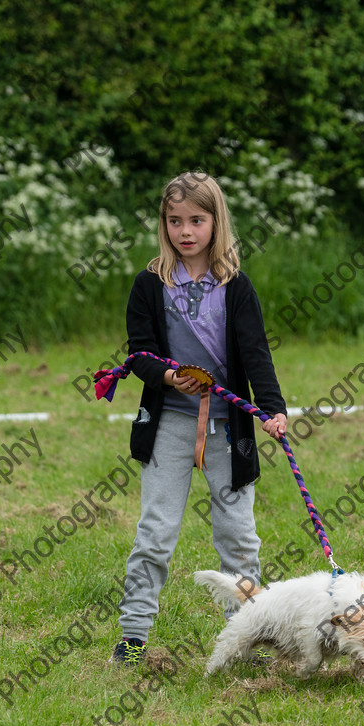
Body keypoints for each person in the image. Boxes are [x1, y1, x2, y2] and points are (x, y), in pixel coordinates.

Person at [110, 171, 287, 666]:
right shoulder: (149, 284)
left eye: (196, 220)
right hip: (168, 421)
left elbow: (255, 354)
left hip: (228, 426)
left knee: (238, 534)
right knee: (156, 531)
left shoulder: (236, 286)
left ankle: (247, 635)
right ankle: (133, 635)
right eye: (174, 221)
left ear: (216, 222)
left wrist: (273, 409)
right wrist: (168, 379)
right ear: (163, 225)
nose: (185, 231)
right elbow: (139, 355)